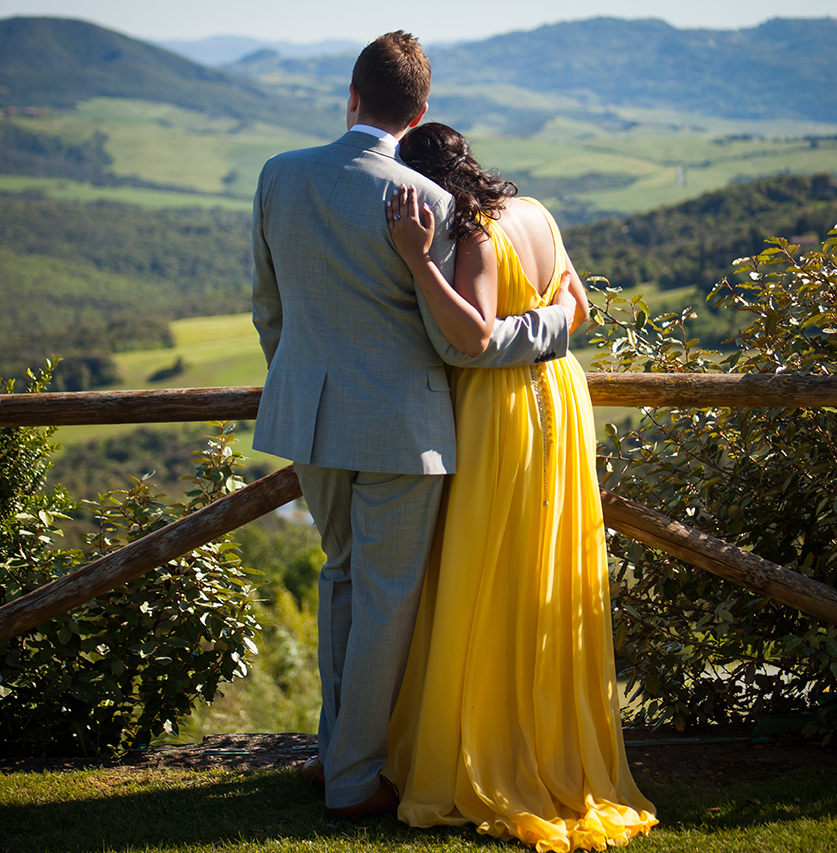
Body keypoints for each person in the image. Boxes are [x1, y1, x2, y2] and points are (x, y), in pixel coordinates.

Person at [251, 33, 575, 819]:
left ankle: (334, 756)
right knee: (387, 601)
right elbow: (460, 341)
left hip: (310, 415)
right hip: (404, 429)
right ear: (420, 111)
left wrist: (302, 379)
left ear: (351, 95)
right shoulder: (433, 206)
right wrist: (558, 324)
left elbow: (269, 310)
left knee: (340, 579)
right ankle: (357, 777)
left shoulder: (277, 176)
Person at [382, 123, 658, 851]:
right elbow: (580, 310)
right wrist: (546, 324)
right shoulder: (536, 210)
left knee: (486, 565)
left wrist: (418, 261)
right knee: (545, 558)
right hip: (562, 400)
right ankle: (547, 737)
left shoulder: (470, 236)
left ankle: (494, 744)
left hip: (500, 409)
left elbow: (472, 335)